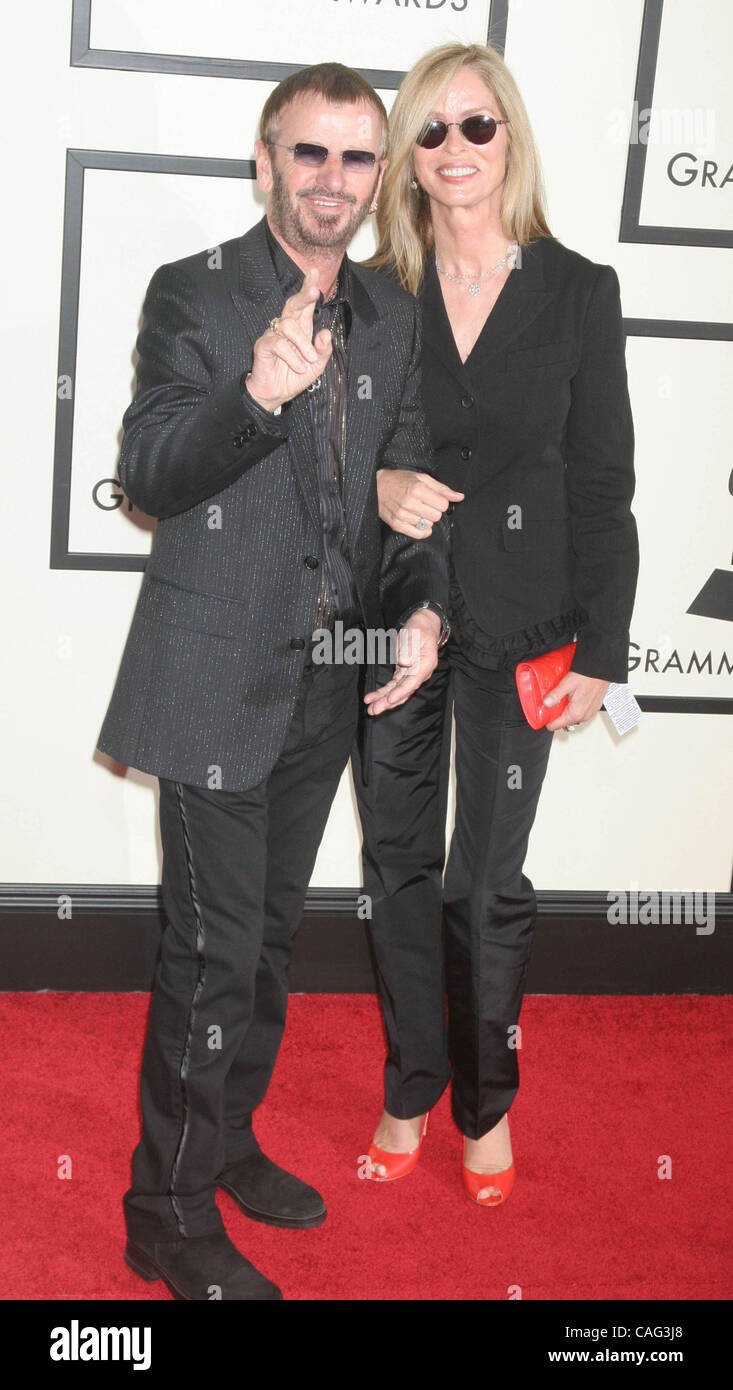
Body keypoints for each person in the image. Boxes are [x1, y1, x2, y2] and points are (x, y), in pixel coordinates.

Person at [96, 62, 449, 1300]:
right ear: (265, 160)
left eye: (358, 161)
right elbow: (150, 471)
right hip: (207, 680)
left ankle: (226, 1138)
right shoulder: (195, 295)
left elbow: (399, 501)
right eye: (310, 155)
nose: (333, 183)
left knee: (262, 948)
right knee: (206, 952)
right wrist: (254, 393)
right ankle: (166, 1213)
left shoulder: (397, 315)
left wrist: (419, 608)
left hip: (325, 684)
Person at [354, 42, 639, 1205]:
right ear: (407, 159)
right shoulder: (377, 292)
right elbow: (351, 459)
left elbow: (603, 483)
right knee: (397, 862)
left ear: (508, 138)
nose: (456, 150)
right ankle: (413, 1084)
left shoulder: (578, 289)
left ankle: (487, 1103)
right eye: (430, 131)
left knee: (488, 880)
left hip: (527, 629)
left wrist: (607, 654)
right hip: (397, 617)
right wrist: (381, 493)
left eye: (477, 126)